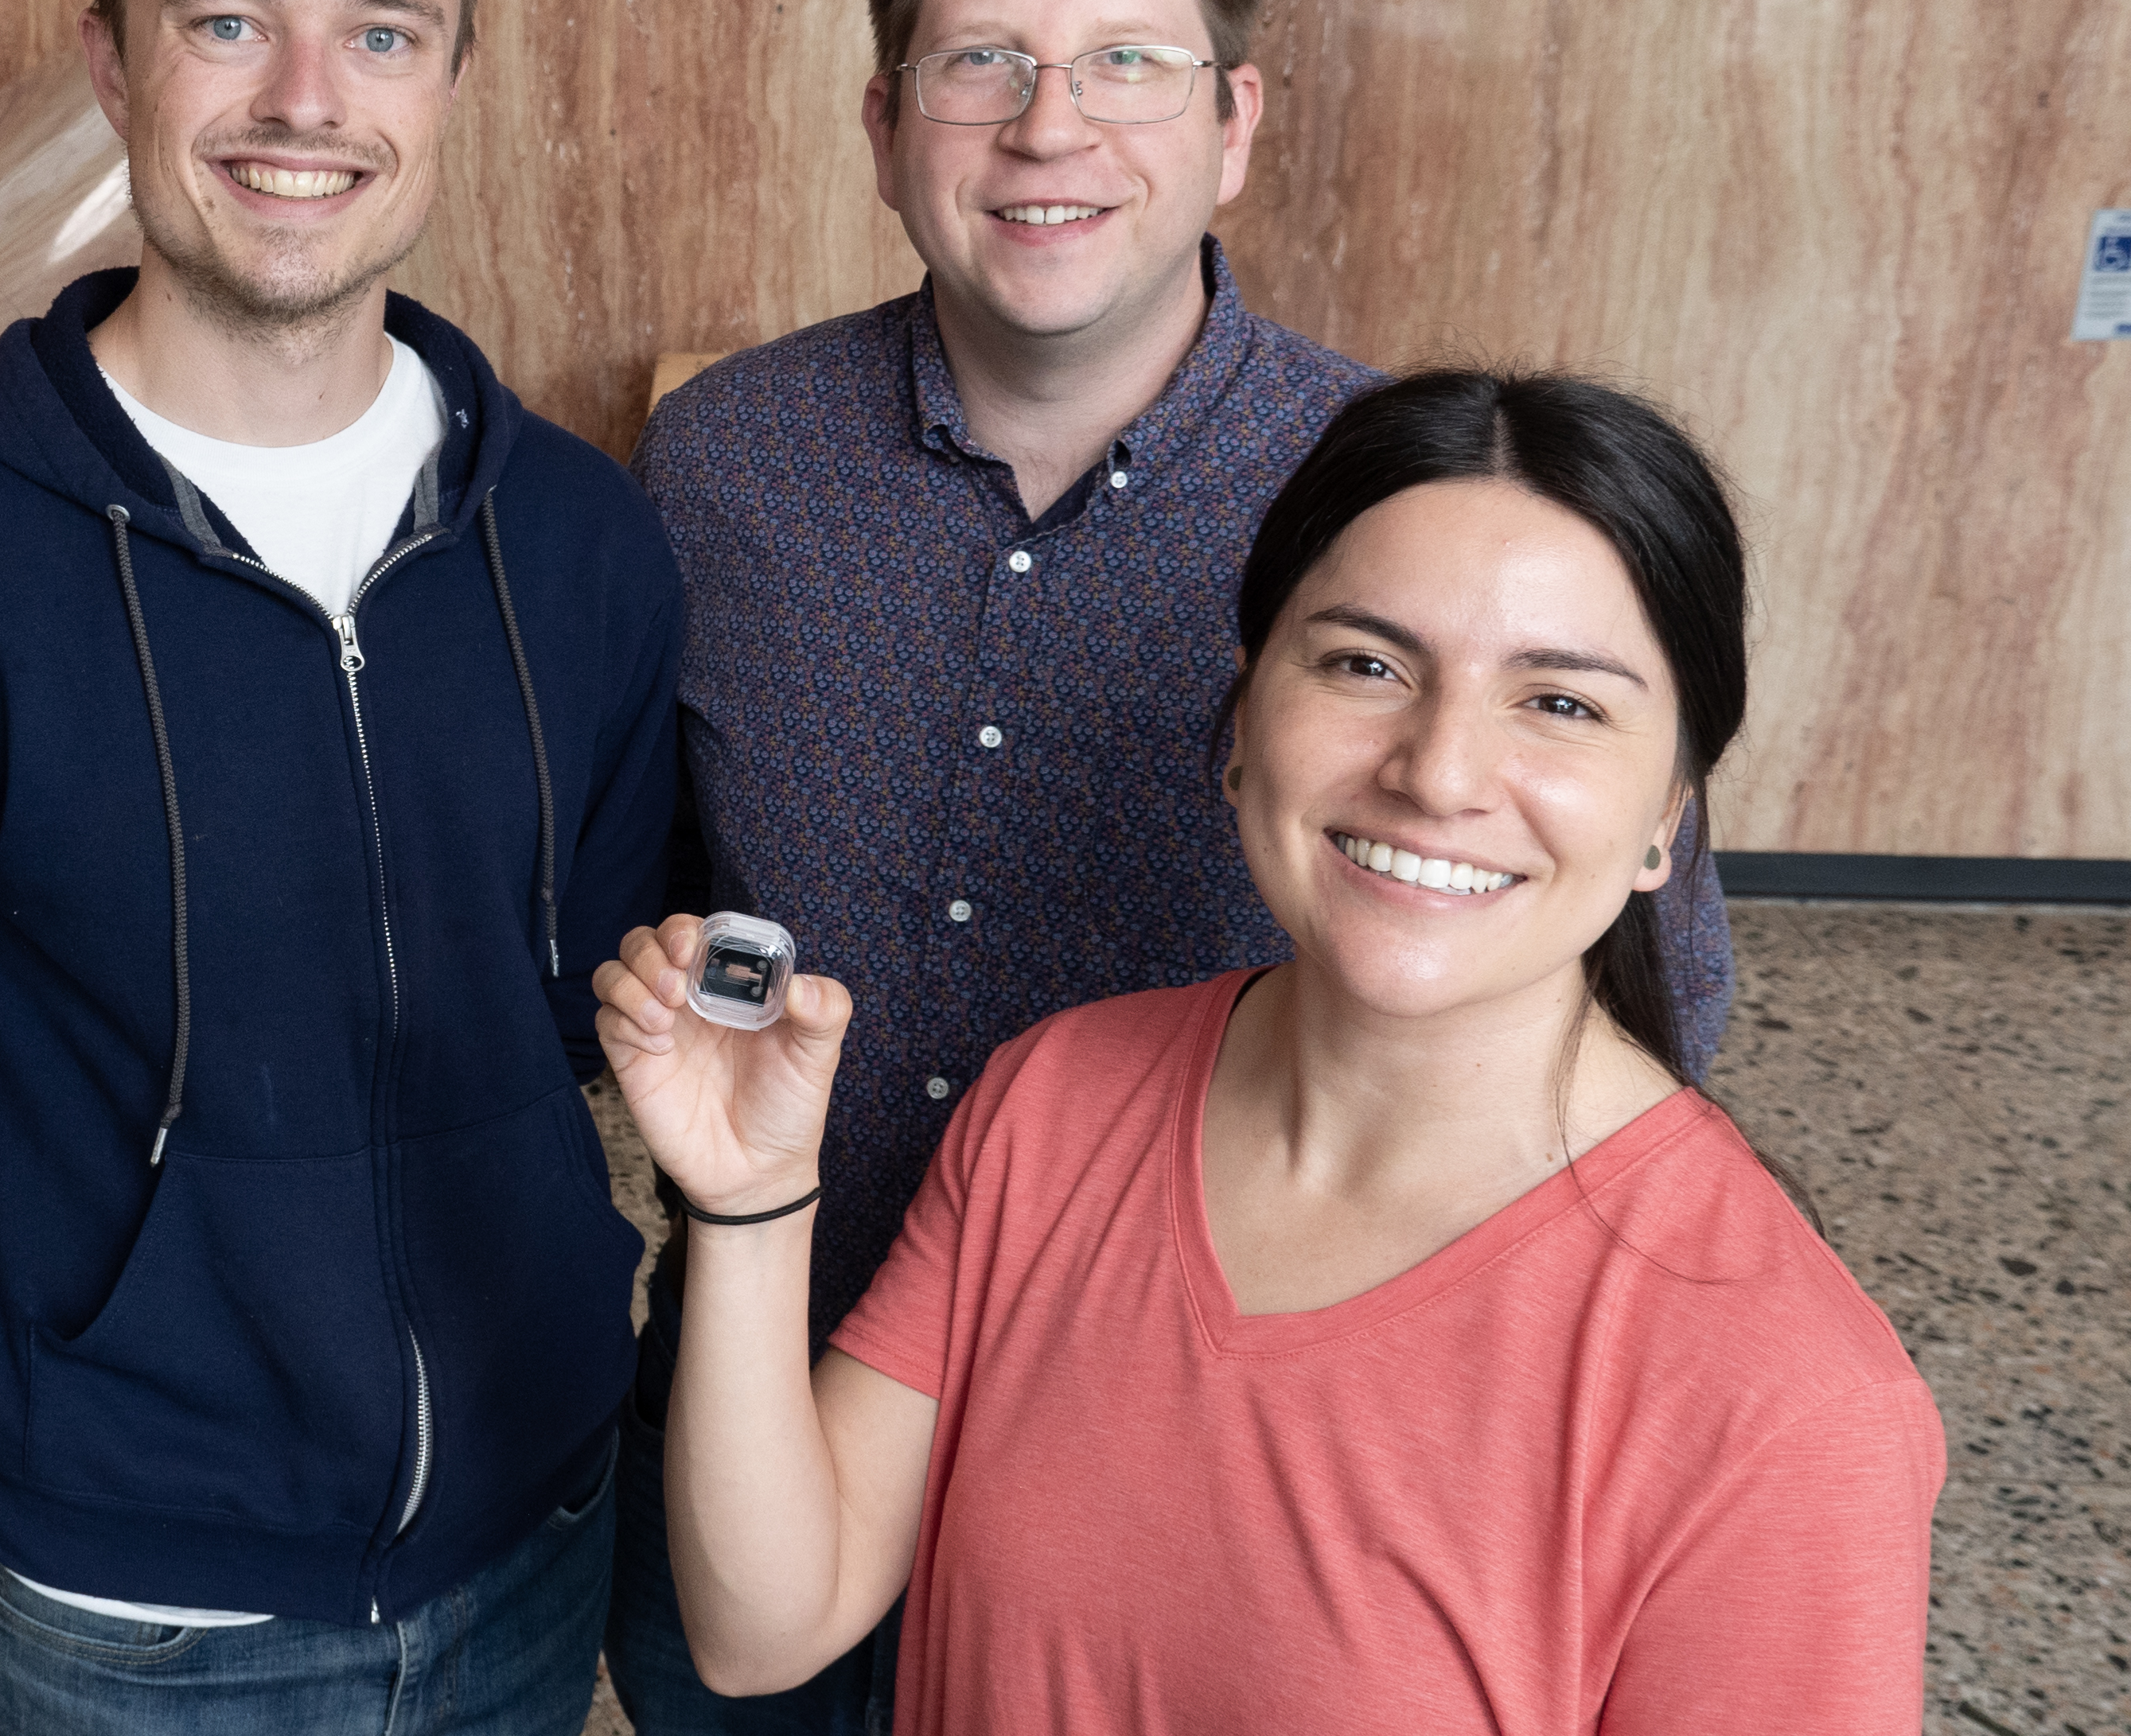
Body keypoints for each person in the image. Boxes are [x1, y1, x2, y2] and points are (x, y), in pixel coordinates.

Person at [613, 0, 1736, 1727]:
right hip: (777, 1403)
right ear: (887, 126)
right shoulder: (725, 464)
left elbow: (1643, 1008)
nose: (1052, 128)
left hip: (1210, 1501)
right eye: (983, 63)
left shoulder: (1401, 512)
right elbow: (653, 899)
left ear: (1233, 123)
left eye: (1128, 61)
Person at [0, 0, 678, 1735]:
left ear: (450, 79)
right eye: (228, 21)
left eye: (379, 32)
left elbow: (595, 984)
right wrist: (105, 1294)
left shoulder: (579, 537)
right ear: (111, 66)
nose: (306, 100)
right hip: (134, 1620)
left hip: (534, 1524)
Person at [597, 369, 1942, 1734]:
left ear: (1669, 820)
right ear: (1243, 729)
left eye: (1561, 704)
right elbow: (762, 1630)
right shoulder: (1059, 1099)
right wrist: (753, 1199)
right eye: (1367, 665)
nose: (1438, 770)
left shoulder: (1786, 1399)